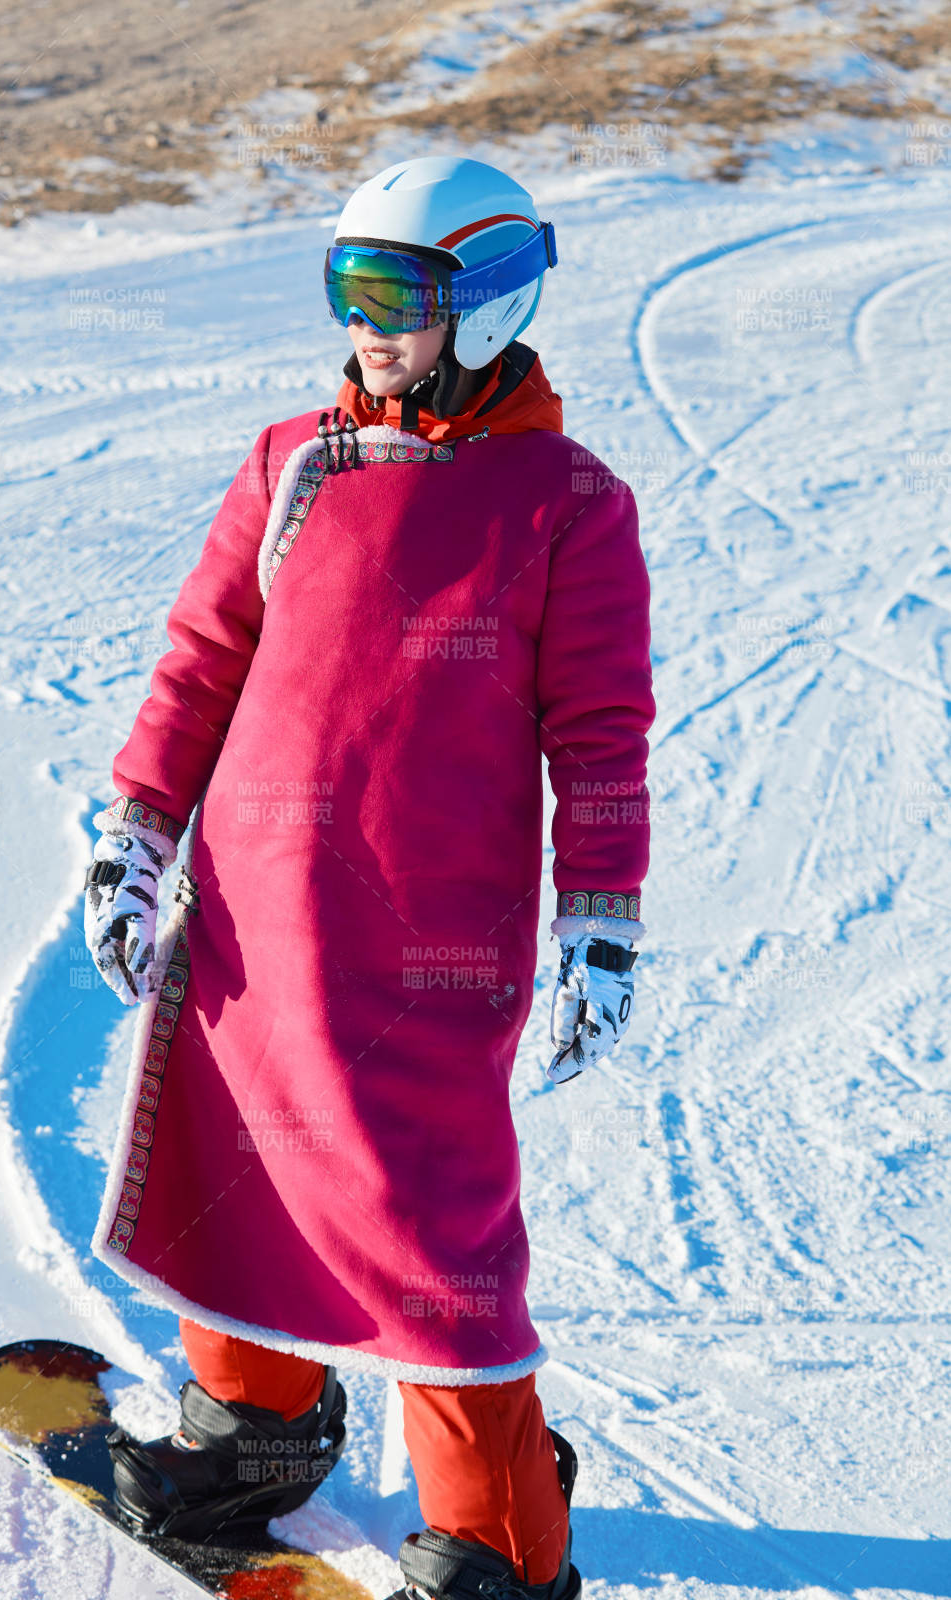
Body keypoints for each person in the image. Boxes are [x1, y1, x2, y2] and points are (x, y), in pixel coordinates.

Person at [82, 153, 655, 1600]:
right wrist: (138, 832)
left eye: (397, 292)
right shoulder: (293, 462)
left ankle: (500, 1543)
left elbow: (599, 733)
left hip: (423, 945)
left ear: (487, 298)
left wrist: (600, 918)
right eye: (346, 288)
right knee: (233, 1159)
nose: (367, 323)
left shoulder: (565, 504)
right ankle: (258, 1429)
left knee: (428, 1229)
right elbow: (204, 659)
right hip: (252, 927)